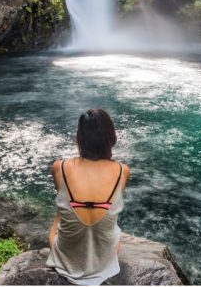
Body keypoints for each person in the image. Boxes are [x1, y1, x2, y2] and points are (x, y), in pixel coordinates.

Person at [46, 109, 130, 285]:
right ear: (110, 137)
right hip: (106, 260)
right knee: (114, 231)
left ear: (80, 137)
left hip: (65, 260)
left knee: (57, 226)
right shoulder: (122, 171)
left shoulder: (59, 167)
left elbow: (61, 210)